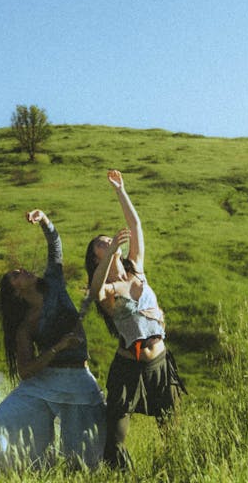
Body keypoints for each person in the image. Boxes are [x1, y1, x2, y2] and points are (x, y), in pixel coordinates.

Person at [0, 209, 105, 470]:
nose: (22, 270)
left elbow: (55, 247)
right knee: (4, 418)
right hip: (46, 380)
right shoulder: (25, 326)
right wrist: (58, 348)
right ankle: (20, 469)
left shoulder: (54, 285)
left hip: (78, 378)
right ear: (16, 294)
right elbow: (26, 371)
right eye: (15, 275)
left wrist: (44, 220)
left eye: (17, 270)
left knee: (82, 457)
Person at [83, 169, 185, 469]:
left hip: (160, 362)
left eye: (109, 239)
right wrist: (111, 251)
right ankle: (120, 475)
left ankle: (173, 471)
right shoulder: (107, 289)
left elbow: (136, 224)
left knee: (172, 430)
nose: (109, 240)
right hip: (128, 368)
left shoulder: (137, 268)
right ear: (96, 258)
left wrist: (120, 190)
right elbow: (96, 289)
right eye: (101, 243)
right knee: (115, 438)